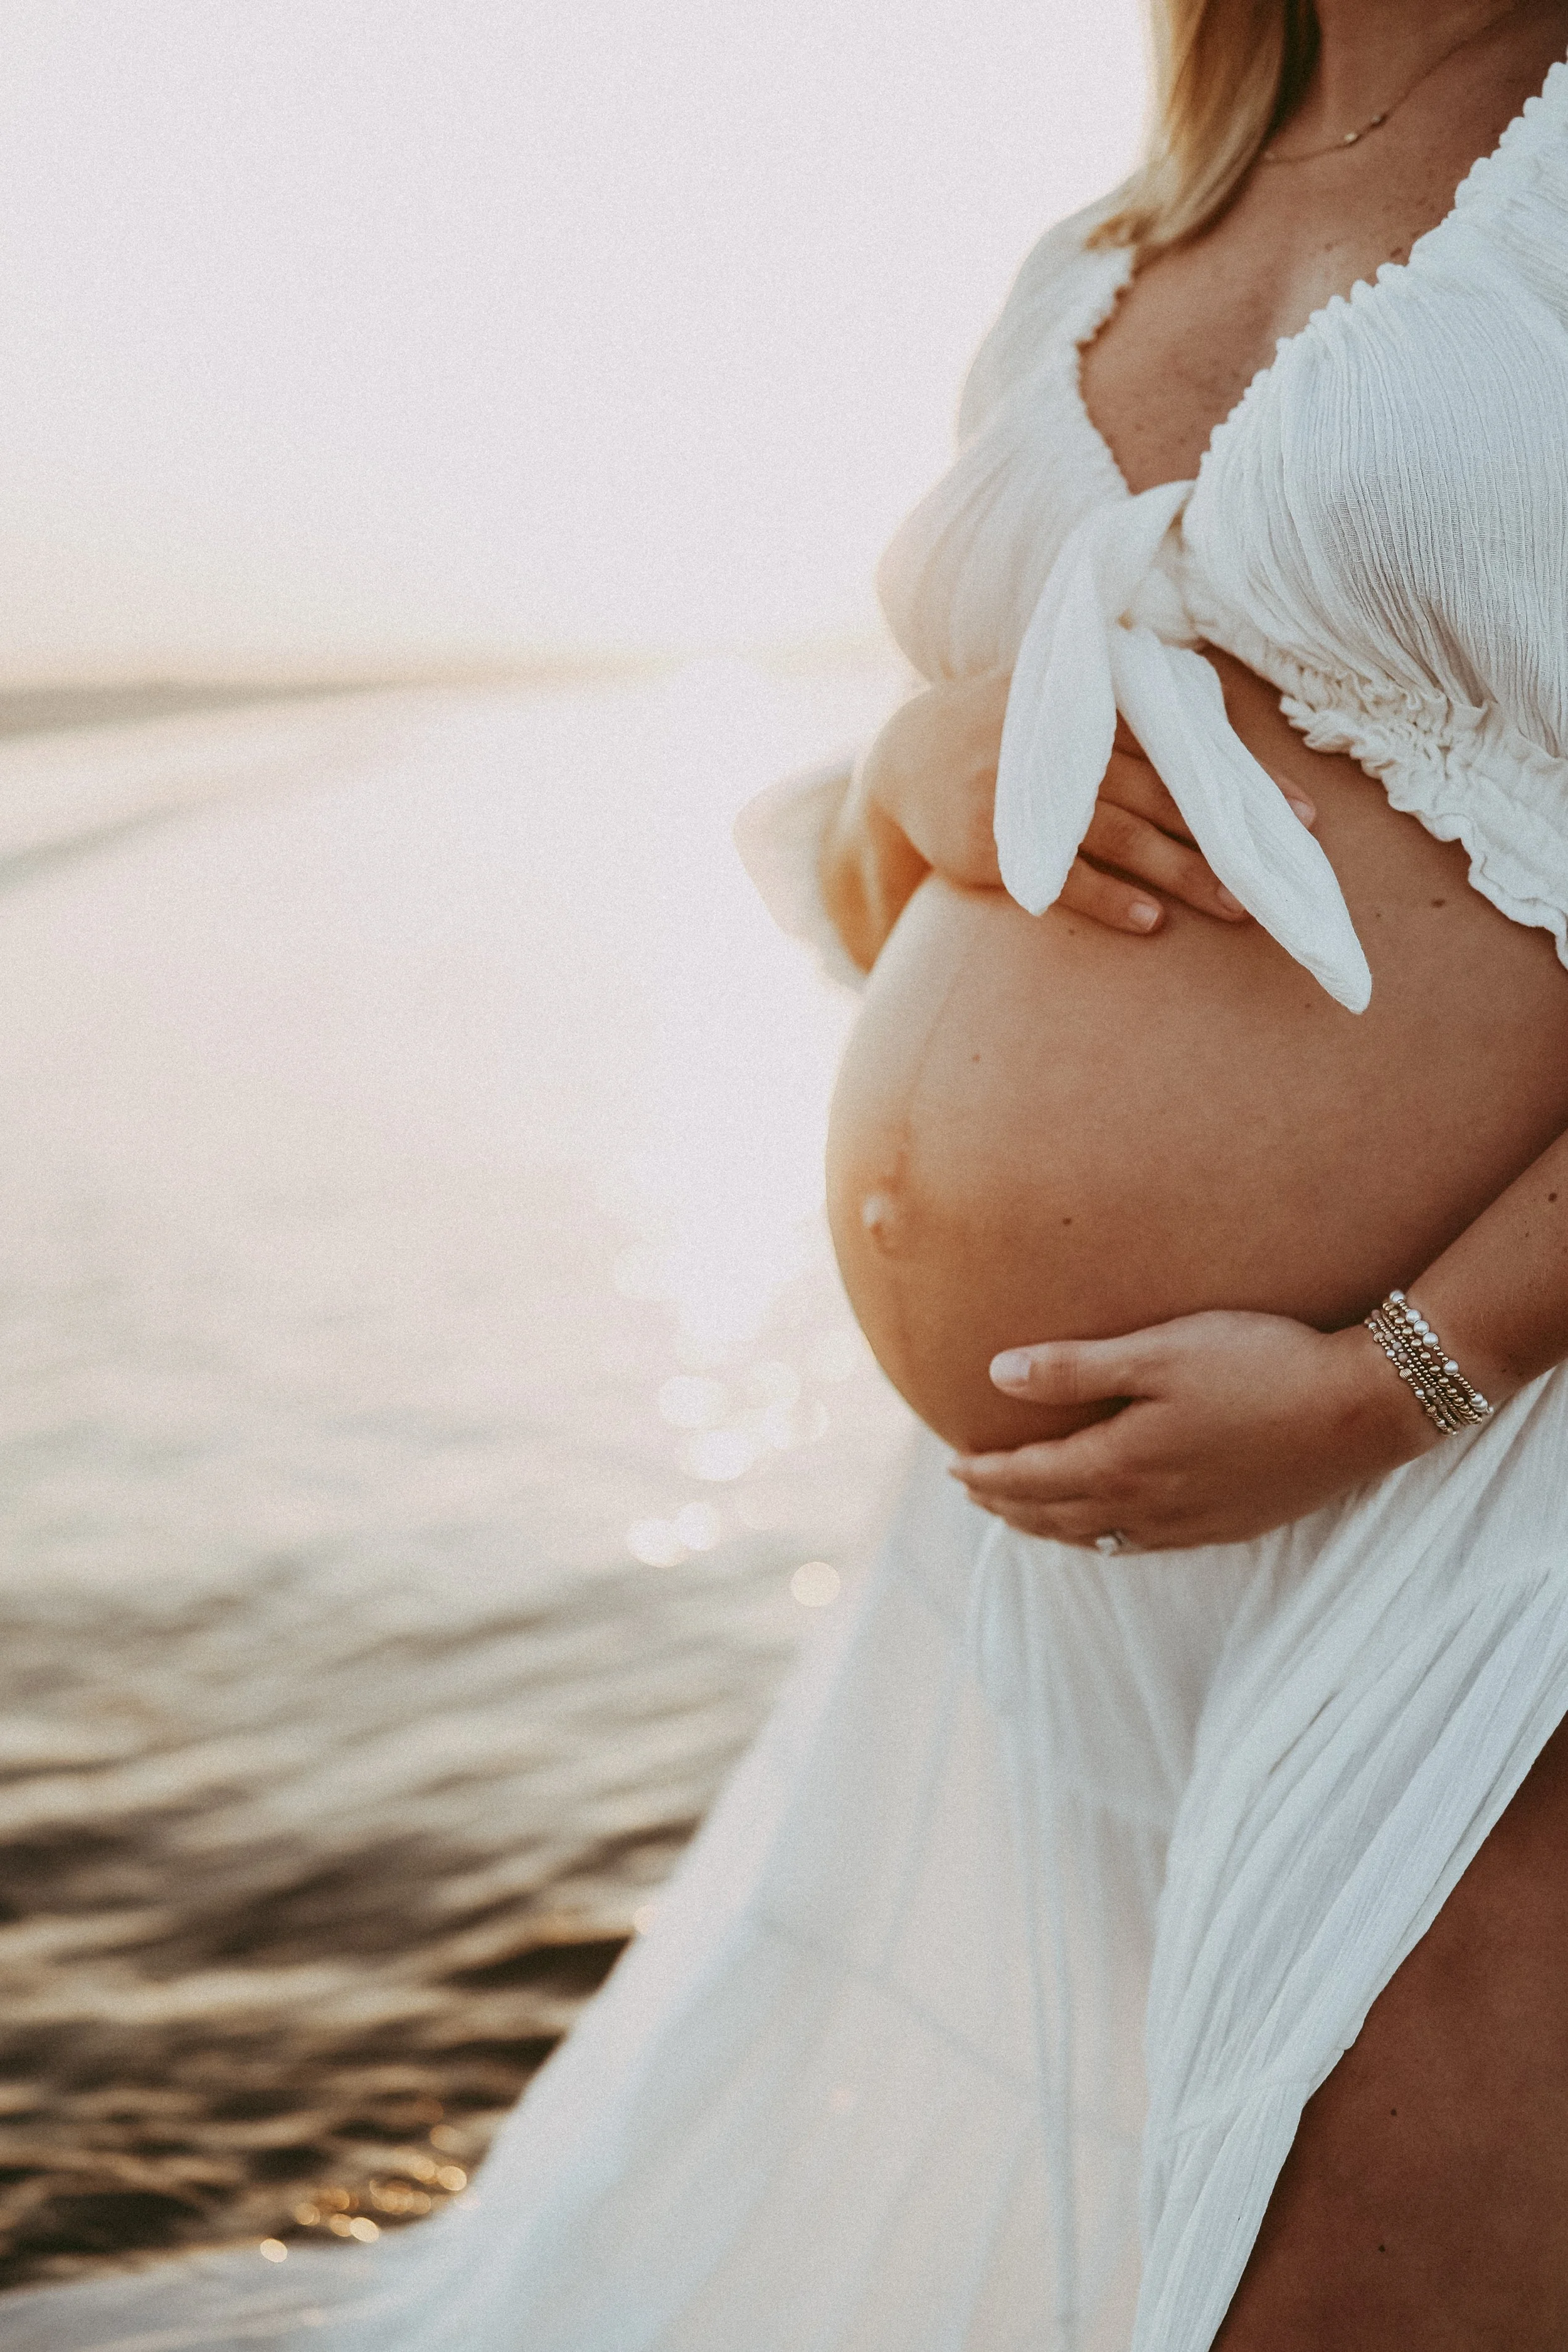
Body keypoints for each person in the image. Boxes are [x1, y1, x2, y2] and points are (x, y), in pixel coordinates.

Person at [14, 2, 1568, 2346]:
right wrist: (917, 771)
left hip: (1486, 1467)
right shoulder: (1112, 236)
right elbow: (906, 884)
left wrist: (1395, 1377)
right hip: (1084, 1544)